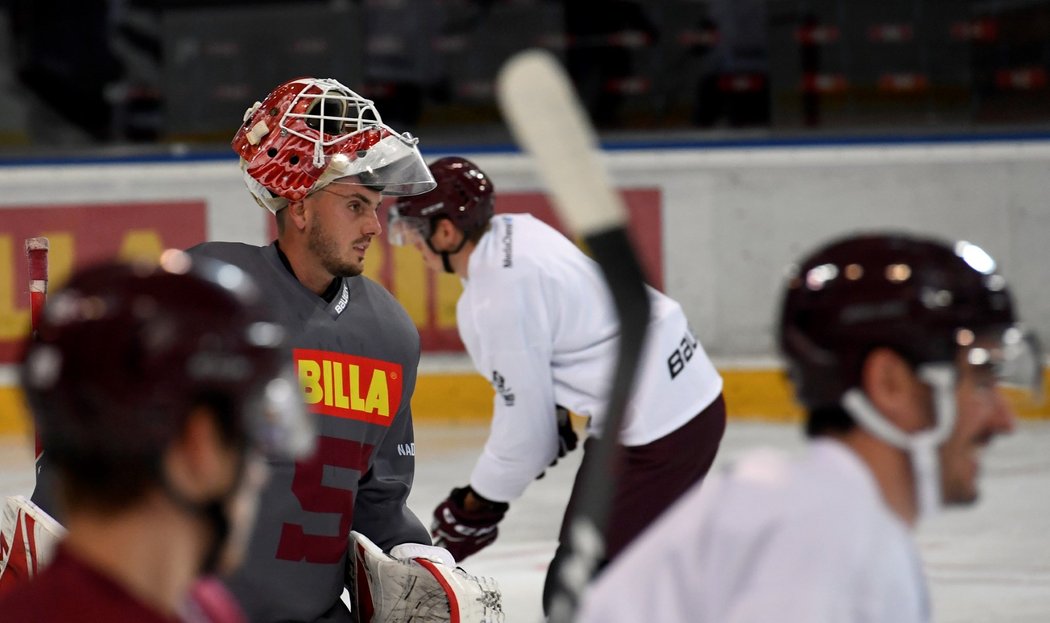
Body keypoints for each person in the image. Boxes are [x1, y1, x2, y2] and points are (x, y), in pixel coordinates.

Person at [577, 232, 1042, 622]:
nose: (1004, 420)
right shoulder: (823, 543)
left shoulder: (822, 518)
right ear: (890, 383)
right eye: (981, 378)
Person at [187, 77, 499, 623]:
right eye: (356, 204)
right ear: (300, 206)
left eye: (375, 206)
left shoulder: (389, 334)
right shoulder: (206, 294)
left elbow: (379, 498)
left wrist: (414, 555)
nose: (374, 226)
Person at [387, 156, 727, 609]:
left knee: (578, 592)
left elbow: (527, 437)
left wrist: (479, 502)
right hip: (687, 394)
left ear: (446, 231)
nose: (414, 244)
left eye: (414, 231)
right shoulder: (518, 230)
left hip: (657, 431)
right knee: (636, 571)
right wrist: (554, 410)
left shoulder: (493, 301)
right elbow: (575, 322)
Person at [0, 252, 316, 622]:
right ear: (197, 446)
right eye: (248, 440)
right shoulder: (206, 607)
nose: (258, 474)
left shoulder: (201, 605)